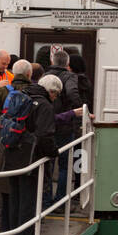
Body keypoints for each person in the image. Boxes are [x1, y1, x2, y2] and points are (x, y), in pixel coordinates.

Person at [3, 73, 79, 235]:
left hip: (13, 157)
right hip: (30, 160)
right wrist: (54, 152)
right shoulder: (44, 105)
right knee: (28, 206)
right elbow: (45, 136)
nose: (55, 99)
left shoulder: (23, 95)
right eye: (56, 95)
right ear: (52, 92)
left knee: (16, 202)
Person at [0, 59, 32, 235]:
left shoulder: (4, 91)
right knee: (19, 194)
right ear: (29, 75)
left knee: (2, 191)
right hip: (21, 148)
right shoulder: (32, 93)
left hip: (1, 144)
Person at [44, 46, 83, 206]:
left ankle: (45, 201)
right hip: (65, 126)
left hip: (47, 125)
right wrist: (82, 110)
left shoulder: (45, 75)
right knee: (64, 166)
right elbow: (72, 92)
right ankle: (60, 202)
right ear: (67, 63)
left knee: (47, 164)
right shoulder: (70, 76)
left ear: (52, 61)